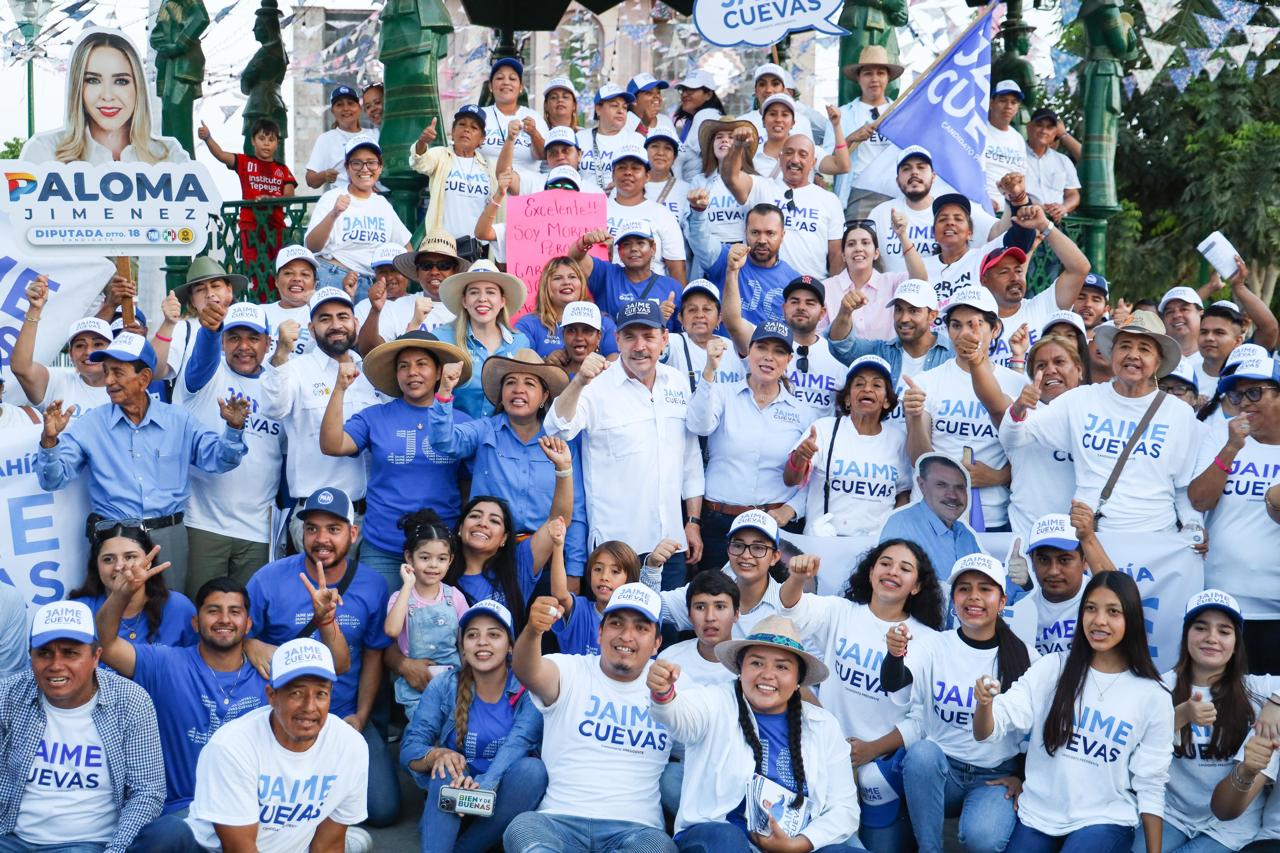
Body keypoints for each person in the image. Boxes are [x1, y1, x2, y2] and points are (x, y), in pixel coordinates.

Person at [96, 565, 346, 817]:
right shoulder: (165, 663)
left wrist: (326, 620)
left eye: (234, 612)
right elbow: (106, 645)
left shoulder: (270, 668)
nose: (224, 619)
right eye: (213, 611)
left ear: (248, 624)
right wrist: (121, 596)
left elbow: (337, 665)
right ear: (195, 622)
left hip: (255, 810)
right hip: (185, 810)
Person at [973, 571, 1175, 853]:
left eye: (1113, 611)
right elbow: (987, 731)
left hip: (1104, 819)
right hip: (1039, 816)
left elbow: (1151, 783)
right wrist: (985, 705)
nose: (1099, 620)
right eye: (1091, 608)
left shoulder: (1153, 695)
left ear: (1131, 619)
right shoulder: (1052, 668)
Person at [36, 332, 249, 593]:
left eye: (118, 372)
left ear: (145, 378)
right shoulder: (91, 425)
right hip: (116, 539)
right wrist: (49, 441)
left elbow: (221, 460)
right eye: (106, 372)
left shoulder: (179, 421)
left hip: (168, 537)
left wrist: (234, 427)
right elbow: (52, 480)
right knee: (117, 616)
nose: (109, 381)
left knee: (169, 614)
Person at [244, 487, 398, 827]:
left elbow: (373, 655)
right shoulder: (269, 578)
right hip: (282, 711)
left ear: (353, 533)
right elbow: (235, 630)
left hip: (341, 711)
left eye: (333, 529)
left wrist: (361, 715)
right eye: (312, 528)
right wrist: (248, 644)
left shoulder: (372, 584)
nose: (321, 538)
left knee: (384, 809)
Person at [782, 540, 946, 850]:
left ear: (916, 586)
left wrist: (872, 749)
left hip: (882, 769)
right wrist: (797, 579)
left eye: (905, 568)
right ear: (871, 572)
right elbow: (792, 610)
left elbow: (924, 720)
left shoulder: (930, 641)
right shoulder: (839, 611)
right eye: (885, 563)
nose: (892, 572)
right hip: (826, 755)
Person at [647, 615, 861, 852]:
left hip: (795, 844)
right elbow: (679, 716)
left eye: (782, 666)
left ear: (798, 679)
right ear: (741, 669)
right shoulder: (717, 702)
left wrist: (797, 845)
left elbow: (845, 809)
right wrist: (664, 694)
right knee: (726, 838)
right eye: (757, 663)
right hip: (717, 839)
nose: (768, 674)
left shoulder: (823, 725)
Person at [140, 639, 371, 852]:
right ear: (272, 696)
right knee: (166, 835)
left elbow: (328, 844)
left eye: (321, 694)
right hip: (216, 850)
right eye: (297, 693)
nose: (310, 706)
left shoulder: (350, 747)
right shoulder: (232, 746)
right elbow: (239, 848)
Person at [504, 583, 676, 852]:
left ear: (656, 644)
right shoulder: (571, 669)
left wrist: (668, 695)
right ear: (599, 632)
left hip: (636, 828)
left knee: (657, 845)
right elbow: (528, 671)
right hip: (558, 821)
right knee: (523, 827)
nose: (627, 636)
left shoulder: (671, 686)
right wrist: (533, 631)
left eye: (641, 628)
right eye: (616, 624)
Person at [882, 554, 1035, 853]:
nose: (974, 597)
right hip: (943, 771)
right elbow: (893, 683)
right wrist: (894, 654)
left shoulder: (1026, 657)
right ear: (953, 599)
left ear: (1002, 601)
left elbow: (1042, 729)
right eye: (964, 588)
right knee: (922, 753)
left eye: (985, 589)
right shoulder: (935, 645)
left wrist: (1022, 776)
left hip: (993, 776)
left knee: (983, 839)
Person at [546, 301, 705, 587]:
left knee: (663, 631)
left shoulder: (678, 382)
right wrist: (579, 380)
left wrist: (692, 522)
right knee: (616, 630)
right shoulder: (596, 385)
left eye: (648, 336)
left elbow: (690, 458)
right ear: (617, 339)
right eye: (630, 336)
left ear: (664, 339)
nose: (639, 346)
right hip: (616, 551)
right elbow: (557, 429)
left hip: (671, 544)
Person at [1002, 310, 1202, 532]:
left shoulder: (1180, 414)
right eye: (1125, 346)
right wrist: (1019, 408)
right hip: (1091, 538)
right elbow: (1014, 439)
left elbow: (1184, 487)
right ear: (1112, 353)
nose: (1133, 355)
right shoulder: (1081, 400)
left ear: (1157, 362)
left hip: (1154, 541)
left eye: (1144, 349)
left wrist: (1193, 524)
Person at [0, 600, 164, 852]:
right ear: (30, 656)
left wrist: (115, 849)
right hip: (11, 837)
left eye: (70, 652)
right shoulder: (9, 694)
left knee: (172, 833)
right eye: (44, 653)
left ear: (96, 656)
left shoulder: (130, 700)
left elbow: (147, 792)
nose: (56, 664)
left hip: (86, 843)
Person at [320, 330, 473, 587]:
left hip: (441, 549)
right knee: (381, 622)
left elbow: (468, 485)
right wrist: (339, 389)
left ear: (438, 372)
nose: (412, 372)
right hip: (383, 547)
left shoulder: (462, 423)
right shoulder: (375, 417)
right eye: (404, 366)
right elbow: (332, 445)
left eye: (422, 364)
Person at [430, 350, 588, 585]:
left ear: (545, 395)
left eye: (529, 383)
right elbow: (444, 440)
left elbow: (575, 509)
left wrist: (573, 571)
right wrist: (444, 390)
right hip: (487, 556)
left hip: (546, 559)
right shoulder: (485, 429)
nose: (518, 390)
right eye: (511, 382)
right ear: (502, 395)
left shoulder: (561, 442)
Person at [400, 599, 547, 853]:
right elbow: (409, 748)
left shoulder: (527, 690)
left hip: (503, 801)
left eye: (494, 635)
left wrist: (485, 784)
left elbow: (519, 742)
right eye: (472, 635)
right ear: (463, 646)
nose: (482, 642)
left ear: (511, 646)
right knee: (445, 767)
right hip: (454, 800)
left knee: (533, 771)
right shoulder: (445, 684)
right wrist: (435, 754)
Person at [1156, 591, 1280, 851]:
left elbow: (1228, 811)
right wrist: (1180, 715)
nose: (1212, 638)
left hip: (1231, 827)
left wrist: (1277, 702)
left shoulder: (1256, 689)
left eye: (1224, 631)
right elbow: (1133, 748)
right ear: (1186, 634)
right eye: (1201, 628)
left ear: (1236, 642)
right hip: (1170, 815)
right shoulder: (1160, 688)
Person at [259, 286, 380, 550]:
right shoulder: (295, 370)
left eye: (343, 317)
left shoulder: (373, 372)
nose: (336, 325)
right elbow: (273, 408)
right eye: (325, 319)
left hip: (368, 517)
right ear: (311, 329)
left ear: (356, 323)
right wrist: (280, 353)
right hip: (315, 517)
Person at [688, 321, 813, 569]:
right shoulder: (722, 393)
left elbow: (813, 476)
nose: (768, 357)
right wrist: (710, 371)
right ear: (749, 352)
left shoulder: (803, 412)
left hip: (775, 527)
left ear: (789, 359)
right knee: (718, 601)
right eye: (762, 348)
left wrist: (791, 509)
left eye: (778, 351)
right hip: (720, 524)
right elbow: (698, 426)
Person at [175, 301, 281, 593]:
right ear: (223, 341)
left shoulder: (278, 384)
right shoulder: (207, 374)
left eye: (253, 338)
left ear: (268, 342)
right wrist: (209, 332)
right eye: (234, 337)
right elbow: (202, 358)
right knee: (200, 615)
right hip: (204, 523)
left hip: (258, 529)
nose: (243, 346)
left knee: (246, 618)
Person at [904, 286, 1027, 532]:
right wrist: (915, 416)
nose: (965, 333)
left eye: (975, 324)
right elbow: (919, 459)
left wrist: (997, 477)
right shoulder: (927, 382)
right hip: (934, 516)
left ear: (995, 329)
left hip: (993, 517)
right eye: (956, 325)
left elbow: (1030, 458)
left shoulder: (1017, 384)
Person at [1188, 350, 1280, 674]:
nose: (1244, 402)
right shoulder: (1220, 435)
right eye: (1237, 394)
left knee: (1270, 720)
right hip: (1220, 605)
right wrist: (1231, 449)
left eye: (1255, 392)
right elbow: (1199, 500)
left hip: (1274, 612)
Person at [787, 354, 910, 537]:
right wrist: (800, 458)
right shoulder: (823, 429)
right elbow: (790, 480)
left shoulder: (899, 439)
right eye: (859, 384)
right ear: (847, 399)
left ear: (887, 401)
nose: (867, 389)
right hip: (823, 546)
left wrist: (891, 531)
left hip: (874, 550)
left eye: (876, 385)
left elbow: (903, 493)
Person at [21, 28, 185, 164]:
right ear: (78, 88)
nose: (107, 96)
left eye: (121, 81)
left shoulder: (170, 156)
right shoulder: (44, 153)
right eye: (93, 80)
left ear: (138, 88)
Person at [720, 253, 846, 418]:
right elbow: (732, 321)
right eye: (794, 301)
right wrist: (732, 272)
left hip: (817, 441)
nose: (801, 307)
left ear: (823, 313)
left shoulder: (837, 354)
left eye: (810, 303)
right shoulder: (762, 340)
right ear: (783, 308)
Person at [721, 124, 848, 279]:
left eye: (803, 155)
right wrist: (737, 147)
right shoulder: (761, 186)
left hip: (809, 288)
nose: (795, 159)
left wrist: (833, 293)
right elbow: (730, 178)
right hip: (761, 282)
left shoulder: (830, 200)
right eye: (789, 153)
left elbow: (836, 255)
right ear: (780, 158)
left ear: (813, 163)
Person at [991, 333, 1084, 535]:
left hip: (1080, 535)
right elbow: (1010, 437)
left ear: (1079, 370)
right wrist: (1019, 408)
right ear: (1033, 377)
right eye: (1041, 366)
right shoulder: (1023, 410)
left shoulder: (1096, 412)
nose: (1050, 370)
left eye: (1059, 362)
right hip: (1026, 534)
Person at [979, 207, 1092, 369]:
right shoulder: (973, 323)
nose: (1014, 277)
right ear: (984, 279)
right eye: (1004, 272)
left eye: (1018, 270)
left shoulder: (1042, 307)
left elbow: (1080, 269)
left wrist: (1045, 225)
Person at [304, 134, 413, 298]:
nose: (364, 168)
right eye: (356, 163)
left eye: (371, 162)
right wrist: (333, 214)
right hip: (335, 278)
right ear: (347, 168)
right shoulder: (332, 197)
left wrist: (407, 284)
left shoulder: (382, 204)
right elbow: (312, 246)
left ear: (380, 167)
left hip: (373, 284)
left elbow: (406, 247)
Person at [865, 147, 1001, 273]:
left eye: (921, 167)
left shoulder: (953, 209)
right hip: (895, 296)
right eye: (906, 169)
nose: (914, 172)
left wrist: (1013, 202)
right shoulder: (880, 213)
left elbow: (997, 232)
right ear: (897, 180)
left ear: (933, 176)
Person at [382, 510, 466, 716]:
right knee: (425, 732)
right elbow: (392, 631)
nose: (433, 565)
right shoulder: (400, 597)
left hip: (453, 684)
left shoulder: (454, 597)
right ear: (409, 558)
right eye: (425, 557)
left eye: (441, 558)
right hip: (416, 690)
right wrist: (407, 585)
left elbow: (464, 643)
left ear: (450, 560)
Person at [826, 278, 953, 402]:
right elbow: (841, 345)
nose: (904, 318)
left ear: (932, 316)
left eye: (913, 311)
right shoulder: (880, 351)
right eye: (898, 310)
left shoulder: (953, 355)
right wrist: (845, 312)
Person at [72, 522, 195, 648]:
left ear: (148, 562)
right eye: (108, 559)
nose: (119, 566)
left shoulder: (179, 607)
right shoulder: (78, 610)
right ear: (96, 565)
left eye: (130, 557)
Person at [434, 260, 531, 418]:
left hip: (502, 438)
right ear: (464, 301)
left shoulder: (520, 343)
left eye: (491, 292)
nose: (482, 298)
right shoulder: (442, 339)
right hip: (456, 436)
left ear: (502, 301)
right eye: (474, 292)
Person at [198, 118, 296, 266]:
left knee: (278, 266)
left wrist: (269, 199)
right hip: (250, 226)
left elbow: (289, 196)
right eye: (261, 138)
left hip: (276, 227)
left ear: (277, 144)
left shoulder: (282, 169)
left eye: (271, 139)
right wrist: (207, 138)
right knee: (254, 267)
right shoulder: (244, 162)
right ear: (253, 141)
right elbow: (221, 155)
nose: (266, 143)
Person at [689, 201, 803, 328]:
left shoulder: (794, 281)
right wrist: (698, 213)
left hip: (770, 347)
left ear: (782, 235)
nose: (762, 240)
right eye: (755, 232)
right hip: (724, 347)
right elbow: (700, 241)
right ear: (745, 232)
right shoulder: (727, 258)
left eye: (770, 233)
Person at [11, 278, 111, 416]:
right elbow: (21, 368)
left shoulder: (125, 391)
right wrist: (34, 309)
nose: (88, 352)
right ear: (71, 354)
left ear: (112, 350)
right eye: (80, 345)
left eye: (98, 344)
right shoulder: (58, 383)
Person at [820, 216, 927, 340]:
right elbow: (821, 337)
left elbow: (920, 280)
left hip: (885, 358)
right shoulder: (826, 288)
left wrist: (902, 235)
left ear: (876, 253)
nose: (858, 249)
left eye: (865, 243)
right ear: (843, 255)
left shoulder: (892, 282)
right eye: (851, 244)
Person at [879, 454, 981, 580]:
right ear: (922, 485)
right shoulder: (902, 525)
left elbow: (981, 586)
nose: (953, 496)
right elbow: (892, 587)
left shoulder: (965, 534)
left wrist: (1012, 576)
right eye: (941, 485)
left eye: (959, 488)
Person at [151, 257, 246, 391]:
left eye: (216, 286)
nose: (209, 294)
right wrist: (168, 323)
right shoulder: (183, 328)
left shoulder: (246, 321)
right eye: (200, 289)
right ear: (192, 300)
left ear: (229, 290)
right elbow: (154, 371)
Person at [410, 104, 499, 243]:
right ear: (452, 130)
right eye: (462, 124)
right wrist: (422, 142)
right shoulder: (440, 155)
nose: (467, 130)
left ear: (482, 139)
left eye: (474, 128)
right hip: (442, 246)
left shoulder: (489, 167)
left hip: (478, 248)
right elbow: (420, 162)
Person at [833, 45, 904, 216]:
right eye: (868, 73)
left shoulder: (901, 113)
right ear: (858, 78)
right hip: (857, 193)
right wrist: (851, 138)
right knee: (857, 241)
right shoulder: (840, 115)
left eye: (880, 73)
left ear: (888, 78)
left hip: (897, 193)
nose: (874, 79)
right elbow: (827, 161)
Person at [605, 145, 688, 283]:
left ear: (647, 176)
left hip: (653, 296)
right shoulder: (598, 210)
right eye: (622, 168)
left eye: (635, 168)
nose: (628, 173)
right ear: (613, 175)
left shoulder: (662, 214)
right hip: (607, 291)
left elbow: (677, 270)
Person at [548, 534, 641, 656]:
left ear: (629, 580)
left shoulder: (639, 618)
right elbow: (560, 594)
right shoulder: (580, 609)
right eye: (598, 569)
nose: (604, 577)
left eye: (615, 572)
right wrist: (558, 545)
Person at [572, 221, 682, 321]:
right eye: (626, 244)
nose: (633, 248)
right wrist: (584, 241)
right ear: (619, 251)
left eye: (640, 243)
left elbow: (682, 332)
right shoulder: (605, 274)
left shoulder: (672, 287)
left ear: (653, 248)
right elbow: (575, 260)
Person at [515, 258, 620, 359]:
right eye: (557, 278)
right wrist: (546, 363)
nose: (566, 282)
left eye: (572, 277)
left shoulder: (604, 322)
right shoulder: (528, 325)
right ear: (546, 286)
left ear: (582, 284)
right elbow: (519, 364)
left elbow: (616, 360)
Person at [690, 117, 760, 246]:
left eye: (732, 137)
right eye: (719, 136)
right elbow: (689, 224)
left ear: (742, 145)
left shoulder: (754, 181)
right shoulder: (698, 181)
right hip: (709, 255)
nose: (724, 140)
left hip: (746, 255)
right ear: (712, 145)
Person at [663, 280, 746, 388]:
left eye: (707, 309)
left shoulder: (734, 349)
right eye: (692, 310)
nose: (699, 315)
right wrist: (658, 322)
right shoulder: (672, 343)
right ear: (680, 318)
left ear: (719, 318)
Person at [355, 244, 435, 354]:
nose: (389, 277)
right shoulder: (363, 307)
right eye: (383, 272)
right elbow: (368, 350)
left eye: (395, 270)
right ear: (375, 275)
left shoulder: (422, 301)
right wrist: (375, 310)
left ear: (407, 273)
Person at [479, 57, 547, 169]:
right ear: (490, 86)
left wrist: (534, 133)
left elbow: (544, 156)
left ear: (521, 88)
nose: (506, 82)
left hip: (525, 184)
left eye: (512, 79)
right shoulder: (480, 116)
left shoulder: (534, 117)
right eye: (500, 78)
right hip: (485, 182)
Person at [578, 84, 646, 188]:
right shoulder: (579, 138)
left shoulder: (638, 141)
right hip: (585, 202)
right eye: (614, 105)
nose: (621, 111)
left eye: (624, 107)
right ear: (598, 109)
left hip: (621, 202)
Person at [263, 245, 319, 361]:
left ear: (315, 284)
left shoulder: (321, 314)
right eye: (288, 273)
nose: (297, 279)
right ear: (277, 281)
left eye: (305, 274)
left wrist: (315, 304)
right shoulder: (260, 312)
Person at [304, 84, 365, 191]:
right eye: (339, 105)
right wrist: (324, 175)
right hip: (341, 200)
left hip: (372, 198)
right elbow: (310, 180)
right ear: (333, 111)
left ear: (359, 108)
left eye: (350, 103)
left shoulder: (375, 133)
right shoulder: (326, 139)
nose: (346, 108)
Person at [1023, 107, 1080, 221]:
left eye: (1049, 127)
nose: (1044, 131)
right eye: (1039, 125)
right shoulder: (1016, 153)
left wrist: (1063, 207)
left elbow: (1073, 194)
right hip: (1024, 219)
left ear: (1055, 133)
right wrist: (1029, 204)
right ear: (1029, 127)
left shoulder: (1063, 161)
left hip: (1056, 223)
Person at [671, 69, 726, 181]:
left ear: (708, 95)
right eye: (683, 90)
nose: (685, 94)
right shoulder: (693, 118)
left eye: (691, 90)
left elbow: (711, 158)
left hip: (698, 190)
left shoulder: (705, 115)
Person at [982, 81, 1028, 211]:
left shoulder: (1018, 138)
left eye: (1014, 102)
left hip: (1010, 209)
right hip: (982, 206)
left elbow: (1021, 178)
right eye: (1003, 100)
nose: (1009, 106)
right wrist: (982, 199)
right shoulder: (978, 130)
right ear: (991, 103)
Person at [644, 120, 690, 229]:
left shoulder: (686, 190)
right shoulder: (630, 187)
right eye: (655, 146)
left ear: (674, 158)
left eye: (667, 148)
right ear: (644, 152)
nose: (660, 153)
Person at [1159, 286, 1204, 361]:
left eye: (1184, 309)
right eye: (1170, 312)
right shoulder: (1156, 361)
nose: (1176, 315)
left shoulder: (1218, 357)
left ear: (1201, 313)